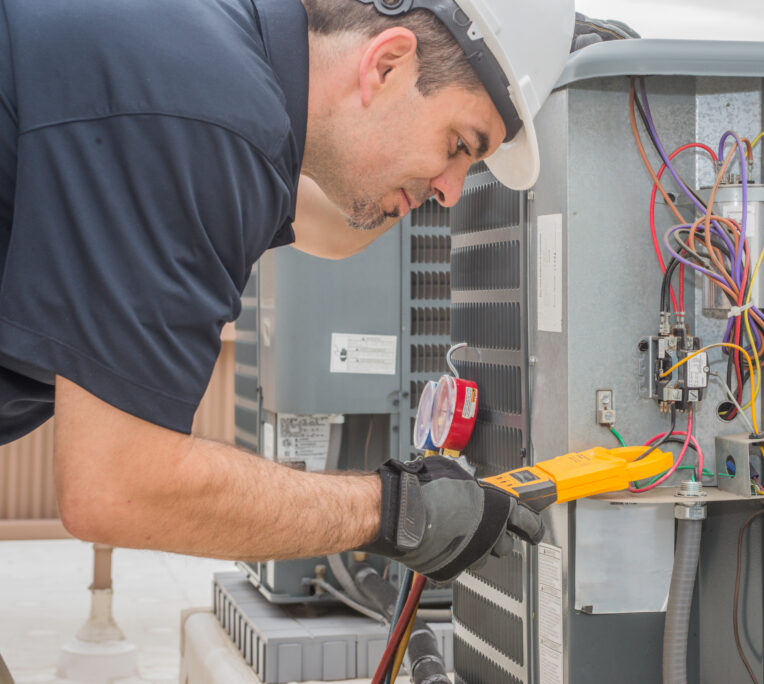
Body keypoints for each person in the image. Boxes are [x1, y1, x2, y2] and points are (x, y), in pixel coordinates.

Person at [0, 0, 573, 606]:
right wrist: (400, 511)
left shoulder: (214, 59)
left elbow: (328, 227)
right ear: (387, 65)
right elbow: (117, 484)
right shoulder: (207, 111)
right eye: (459, 144)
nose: (451, 192)